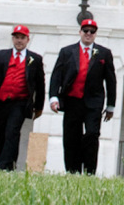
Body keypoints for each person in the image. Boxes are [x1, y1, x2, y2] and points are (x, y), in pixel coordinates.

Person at [48, 19, 117, 174]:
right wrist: (53, 97)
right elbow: (56, 76)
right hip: (72, 101)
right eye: (85, 30)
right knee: (71, 137)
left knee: (92, 134)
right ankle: (72, 171)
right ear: (80, 32)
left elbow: (111, 80)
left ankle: (89, 171)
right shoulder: (67, 51)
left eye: (92, 31)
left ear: (95, 34)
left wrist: (111, 105)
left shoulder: (104, 53)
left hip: (93, 102)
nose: (88, 34)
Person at [0, 25, 45, 171]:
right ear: (13, 39)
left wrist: (39, 107)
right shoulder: (0, 55)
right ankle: (9, 165)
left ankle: (3, 167)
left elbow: (40, 84)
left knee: (12, 133)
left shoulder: (35, 59)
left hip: (19, 103)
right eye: (17, 37)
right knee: (0, 135)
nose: (19, 41)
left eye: (22, 38)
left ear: (27, 39)